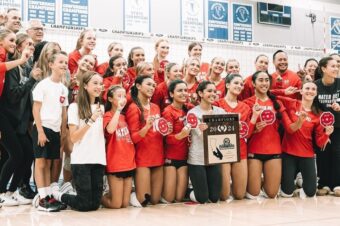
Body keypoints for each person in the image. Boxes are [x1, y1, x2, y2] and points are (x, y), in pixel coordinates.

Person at [52, 71, 106, 211]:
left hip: (98, 159)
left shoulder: (102, 107)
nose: (99, 86)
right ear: (85, 85)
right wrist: (91, 120)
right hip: (81, 160)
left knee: (94, 205)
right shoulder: (74, 107)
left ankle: (70, 192)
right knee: (83, 205)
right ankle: (57, 195)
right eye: (95, 83)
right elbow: (74, 137)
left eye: (100, 83)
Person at [279, 81, 333, 198]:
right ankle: (289, 181)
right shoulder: (291, 103)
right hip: (288, 152)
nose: (310, 91)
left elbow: (319, 142)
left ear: (316, 93)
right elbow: (271, 96)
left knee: (310, 192)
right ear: (301, 91)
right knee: (287, 193)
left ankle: (300, 180)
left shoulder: (319, 114)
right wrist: (283, 91)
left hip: (307, 154)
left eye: (313, 89)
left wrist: (327, 134)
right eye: (307, 88)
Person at [32, 52, 68, 212]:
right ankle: (41, 199)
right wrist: (40, 131)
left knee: (48, 163)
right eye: (60, 62)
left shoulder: (63, 88)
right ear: (51, 65)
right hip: (42, 127)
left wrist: (63, 133)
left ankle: (48, 196)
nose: (64, 65)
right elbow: (36, 109)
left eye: (66, 62)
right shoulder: (43, 85)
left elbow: (64, 113)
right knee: (40, 162)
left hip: (55, 129)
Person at [0, 29, 33, 206]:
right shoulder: (10, 63)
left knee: (24, 154)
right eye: (11, 40)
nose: (13, 43)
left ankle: (10, 191)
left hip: (16, 120)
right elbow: (13, 95)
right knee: (14, 155)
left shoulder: (19, 65)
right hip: (5, 115)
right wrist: (21, 61)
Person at [243, 71, 287, 199]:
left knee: (272, 194)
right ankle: (255, 182)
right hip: (254, 151)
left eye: (266, 80)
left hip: (274, 150)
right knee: (253, 194)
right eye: (261, 80)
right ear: (253, 83)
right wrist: (255, 128)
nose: (264, 83)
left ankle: (264, 182)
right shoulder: (247, 103)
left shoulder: (277, 103)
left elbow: (288, 127)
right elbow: (245, 133)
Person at [215, 74, 259, 200]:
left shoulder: (245, 107)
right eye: (236, 83)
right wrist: (230, 124)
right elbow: (212, 128)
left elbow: (247, 133)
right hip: (222, 149)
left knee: (239, 195)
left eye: (241, 84)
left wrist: (255, 116)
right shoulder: (217, 104)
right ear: (227, 85)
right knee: (223, 195)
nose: (239, 86)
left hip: (240, 149)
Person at [126, 75, 164, 207]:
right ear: (138, 86)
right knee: (143, 201)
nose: (152, 87)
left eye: (154, 85)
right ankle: (130, 194)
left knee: (155, 200)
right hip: (143, 157)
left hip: (158, 156)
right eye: (148, 84)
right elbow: (133, 138)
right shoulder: (133, 107)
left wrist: (166, 129)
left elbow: (158, 130)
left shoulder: (155, 107)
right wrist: (147, 126)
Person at [186, 81, 225, 204]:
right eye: (209, 91)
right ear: (200, 93)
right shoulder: (193, 113)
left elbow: (225, 136)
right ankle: (187, 192)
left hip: (214, 158)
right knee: (202, 198)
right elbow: (204, 137)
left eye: (214, 91)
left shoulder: (220, 112)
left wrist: (236, 127)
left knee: (214, 198)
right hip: (198, 159)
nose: (213, 94)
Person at [101, 85, 136, 209]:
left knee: (124, 204)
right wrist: (117, 111)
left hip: (129, 161)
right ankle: (99, 196)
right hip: (115, 162)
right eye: (119, 96)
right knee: (116, 205)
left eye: (124, 95)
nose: (123, 99)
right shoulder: (107, 115)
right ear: (110, 99)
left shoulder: (125, 116)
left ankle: (110, 193)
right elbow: (110, 130)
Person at [314, 57, 340, 196]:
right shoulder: (316, 85)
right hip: (321, 128)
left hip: (338, 126)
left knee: (337, 153)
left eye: (337, 66)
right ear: (323, 69)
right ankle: (323, 183)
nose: (336, 68)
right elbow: (311, 106)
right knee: (323, 153)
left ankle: (337, 184)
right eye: (333, 66)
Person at [162, 80, 190, 203]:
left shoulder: (189, 110)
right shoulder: (168, 111)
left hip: (185, 158)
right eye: (180, 90)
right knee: (169, 198)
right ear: (171, 94)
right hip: (171, 158)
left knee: (179, 198)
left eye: (185, 90)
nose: (184, 93)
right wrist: (181, 135)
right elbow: (167, 138)